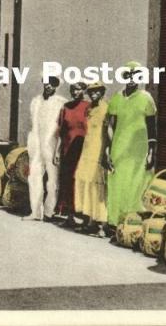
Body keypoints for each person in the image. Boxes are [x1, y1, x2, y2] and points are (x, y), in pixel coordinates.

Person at [103, 61, 157, 234]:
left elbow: (152, 127)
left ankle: (133, 226)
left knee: (137, 185)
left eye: (136, 75)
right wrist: (108, 149)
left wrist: (151, 152)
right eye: (128, 75)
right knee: (116, 185)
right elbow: (110, 124)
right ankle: (114, 223)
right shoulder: (117, 98)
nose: (132, 79)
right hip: (119, 149)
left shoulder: (146, 98)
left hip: (138, 151)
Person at [23, 77, 67, 221]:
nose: (49, 85)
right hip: (36, 144)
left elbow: (61, 128)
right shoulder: (36, 101)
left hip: (52, 144)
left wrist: (58, 150)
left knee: (53, 180)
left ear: (57, 85)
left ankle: (49, 212)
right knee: (34, 177)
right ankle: (35, 212)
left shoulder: (61, 103)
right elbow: (33, 124)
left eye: (53, 83)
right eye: (47, 82)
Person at [73, 81, 109, 236]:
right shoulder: (89, 109)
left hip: (98, 150)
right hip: (87, 150)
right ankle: (90, 221)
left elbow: (108, 132)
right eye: (91, 92)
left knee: (97, 186)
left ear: (102, 92)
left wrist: (106, 152)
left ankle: (102, 225)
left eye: (97, 91)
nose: (93, 94)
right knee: (85, 183)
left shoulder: (105, 109)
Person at [54, 82, 89, 227]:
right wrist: (56, 151)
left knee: (80, 182)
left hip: (83, 150)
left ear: (83, 91)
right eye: (73, 90)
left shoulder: (88, 106)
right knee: (67, 182)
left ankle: (84, 217)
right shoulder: (66, 107)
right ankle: (69, 216)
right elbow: (61, 132)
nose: (75, 92)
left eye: (78, 89)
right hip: (67, 150)